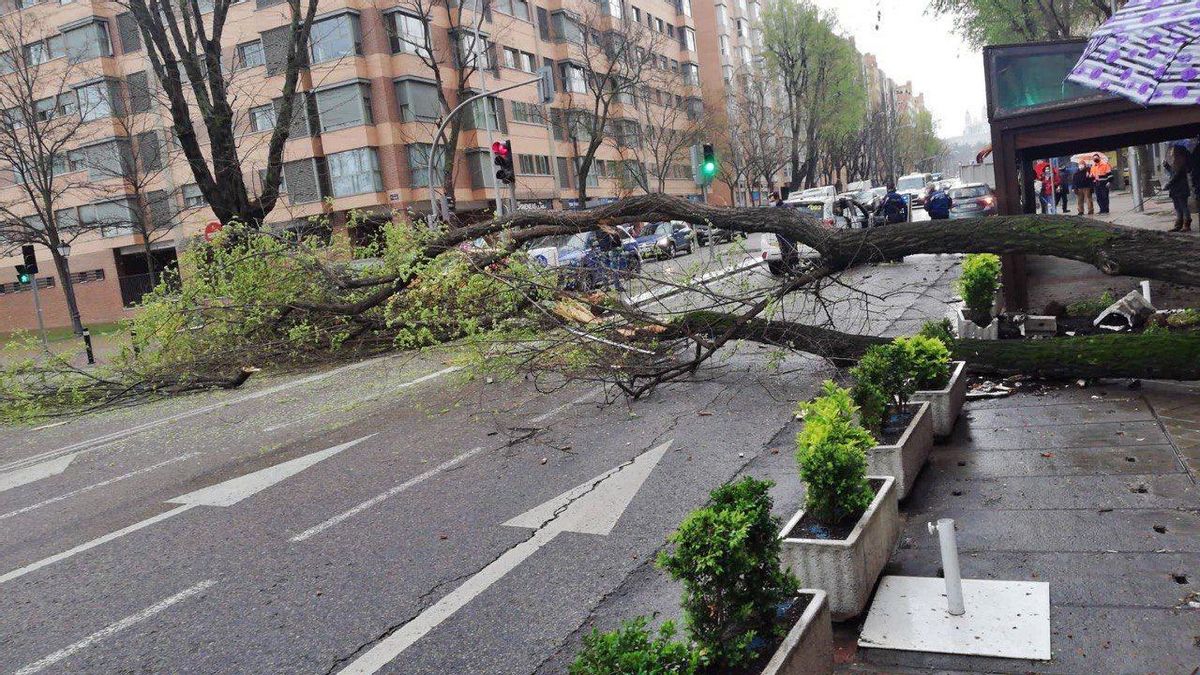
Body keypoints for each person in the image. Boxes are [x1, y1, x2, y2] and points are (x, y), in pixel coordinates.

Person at [1165, 144, 1192, 232]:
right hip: (1175, 189)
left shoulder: (1182, 163)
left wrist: (1168, 184)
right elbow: (1172, 173)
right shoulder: (1175, 162)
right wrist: (1167, 166)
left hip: (1181, 188)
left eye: (1173, 151)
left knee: (1184, 206)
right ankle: (1178, 224)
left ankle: (1186, 224)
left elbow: (1176, 176)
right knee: (1177, 207)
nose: (1171, 153)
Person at [595, 224, 626, 290]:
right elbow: (618, 243)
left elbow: (598, 242)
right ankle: (617, 286)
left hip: (603, 251)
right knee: (615, 270)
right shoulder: (612, 232)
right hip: (613, 251)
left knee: (604, 270)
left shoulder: (598, 232)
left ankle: (606, 286)